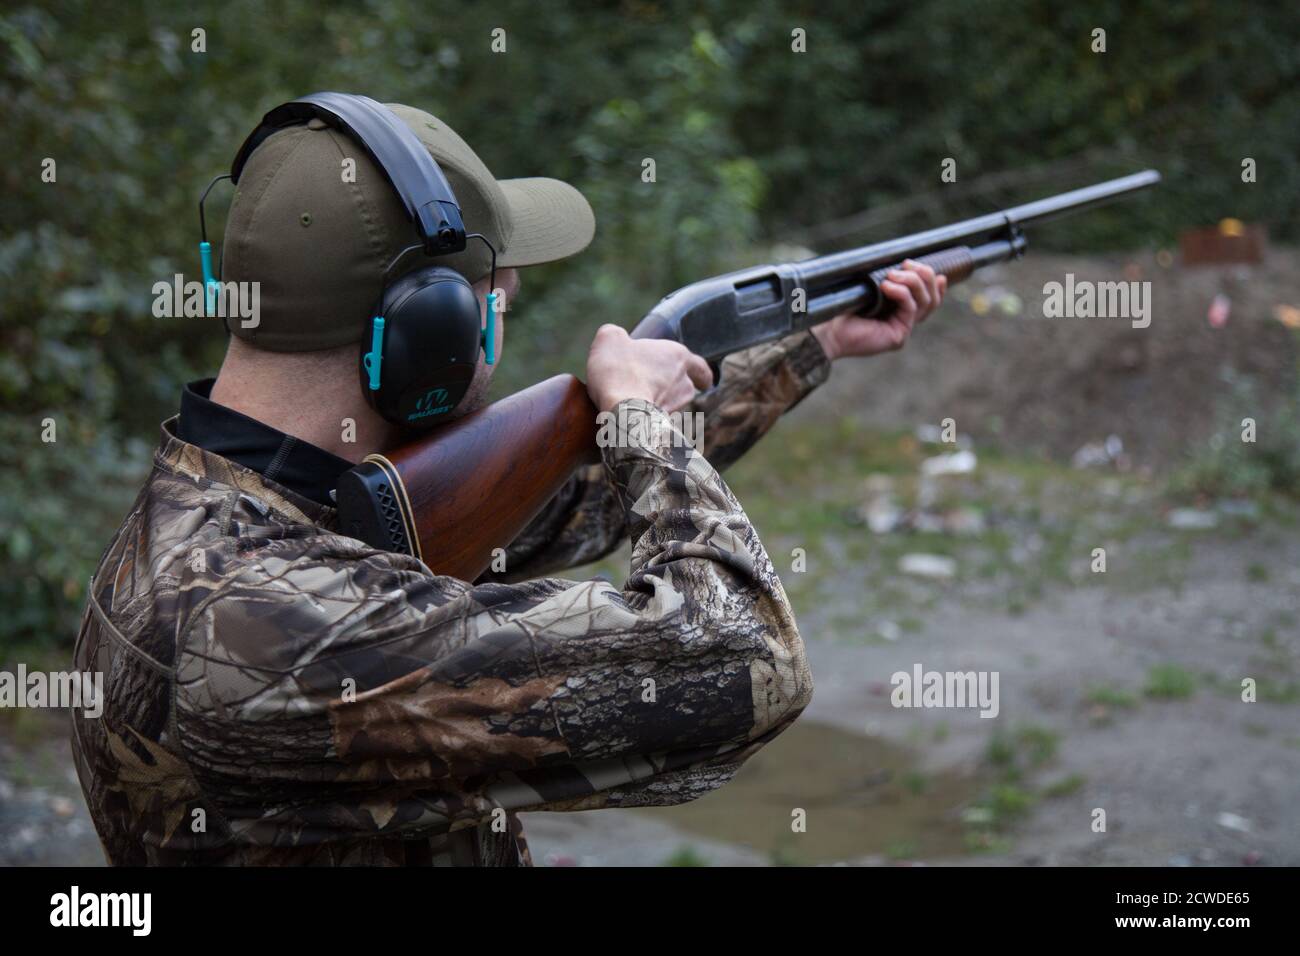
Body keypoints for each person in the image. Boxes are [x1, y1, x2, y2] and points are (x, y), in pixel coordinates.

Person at [70, 98, 945, 866]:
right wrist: (635, 415)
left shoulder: (251, 510)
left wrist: (809, 346)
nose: (509, 307)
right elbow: (750, 655)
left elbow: (564, 504)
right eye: (500, 294)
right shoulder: (262, 623)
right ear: (427, 332)